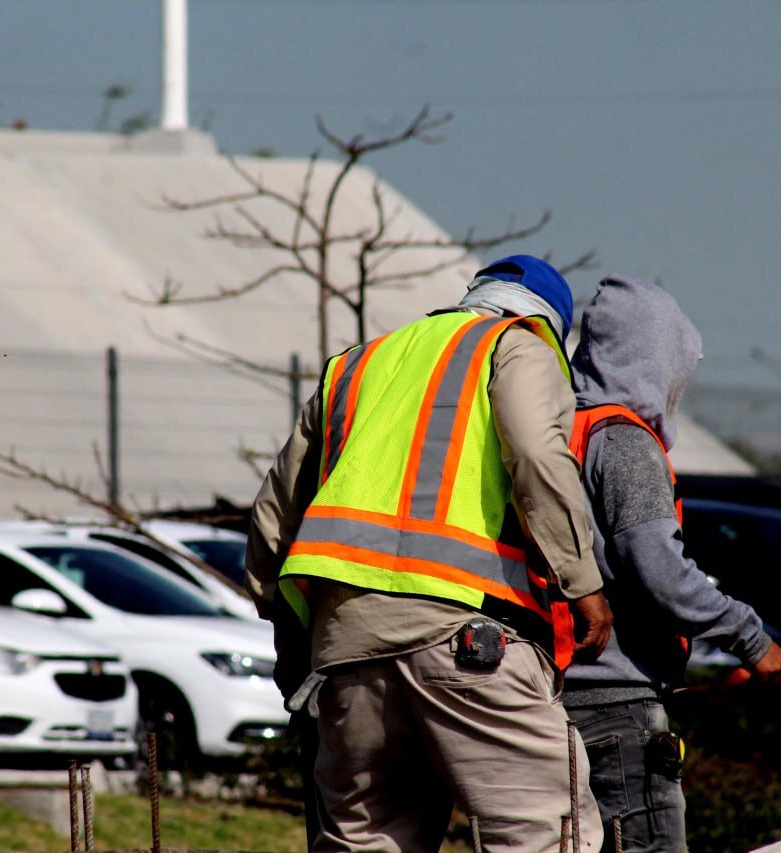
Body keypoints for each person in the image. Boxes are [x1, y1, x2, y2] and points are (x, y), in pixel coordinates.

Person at [246, 254, 612, 852]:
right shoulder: (518, 347)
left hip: (346, 651)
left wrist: (288, 620)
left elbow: (272, 511)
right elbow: (536, 456)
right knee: (545, 829)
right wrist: (582, 582)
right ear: (548, 323)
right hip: (464, 638)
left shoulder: (357, 363)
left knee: (367, 840)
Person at [563, 275, 781, 853]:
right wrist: (751, 638)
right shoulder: (623, 442)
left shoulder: (561, 433)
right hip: (615, 704)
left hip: (564, 690)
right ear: (655, 358)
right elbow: (657, 566)